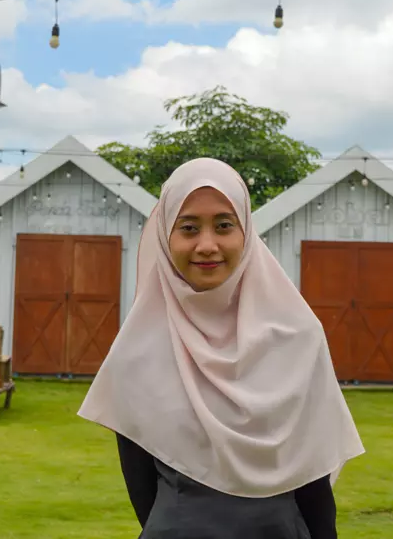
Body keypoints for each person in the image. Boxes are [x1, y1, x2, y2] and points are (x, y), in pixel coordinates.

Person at [78, 158, 365, 538]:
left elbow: (312, 478)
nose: (207, 245)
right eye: (188, 228)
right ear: (165, 236)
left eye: (224, 225)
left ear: (246, 232)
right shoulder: (139, 349)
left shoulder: (297, 338)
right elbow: (142, 486)